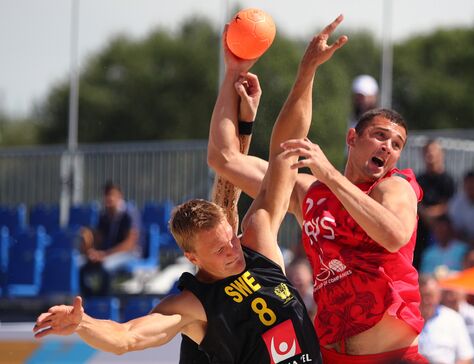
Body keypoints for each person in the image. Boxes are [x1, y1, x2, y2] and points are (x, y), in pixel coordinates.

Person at [32, 17, 343, 363]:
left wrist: (305, 72)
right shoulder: (193, 304)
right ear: (193, 258)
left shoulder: (259, 246)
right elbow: (127, 337)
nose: (232, 249)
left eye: (230, 238)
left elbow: (284, 153)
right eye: (219, 249)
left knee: (234, 184)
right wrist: (83, 323)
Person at [209, 15, 427, 364]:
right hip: (330, 356)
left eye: (397, 143)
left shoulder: (394, 187)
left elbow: (394, 235)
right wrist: (235, 71)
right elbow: (224, 158)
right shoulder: (310, 194)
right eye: (380, 136)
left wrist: (328, 172)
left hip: (393, 357)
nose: (388, 147)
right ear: (352, 138)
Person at [79, 181, 141, 296]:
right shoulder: (104, 216)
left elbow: (129, 244)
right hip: (107, 254)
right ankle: (88, 301)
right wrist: (93, 251)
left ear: (120, 196)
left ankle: (104, 303)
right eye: (106, 195)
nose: (109, 198)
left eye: (112, 194)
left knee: (106, 267)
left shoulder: (129, 214)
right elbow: (99, 239)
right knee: (81, 266)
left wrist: (106, 254)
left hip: (129, 254)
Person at [415, 139, 456, 269]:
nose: (430, 155)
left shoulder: (448, 180)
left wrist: (429, 215)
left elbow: (449, 204)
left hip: (442, 232)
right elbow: (415, 202)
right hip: (420, 231)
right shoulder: (419, 179)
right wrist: (424, 214)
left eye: (433, 152)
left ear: (441, 154)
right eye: (427, 152)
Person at [418, 275, 474, 364]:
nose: (426, 300)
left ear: (438, 296)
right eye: (421, 295)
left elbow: (467, 356)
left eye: (430, 296)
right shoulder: (407, 319)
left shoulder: (453, 318)